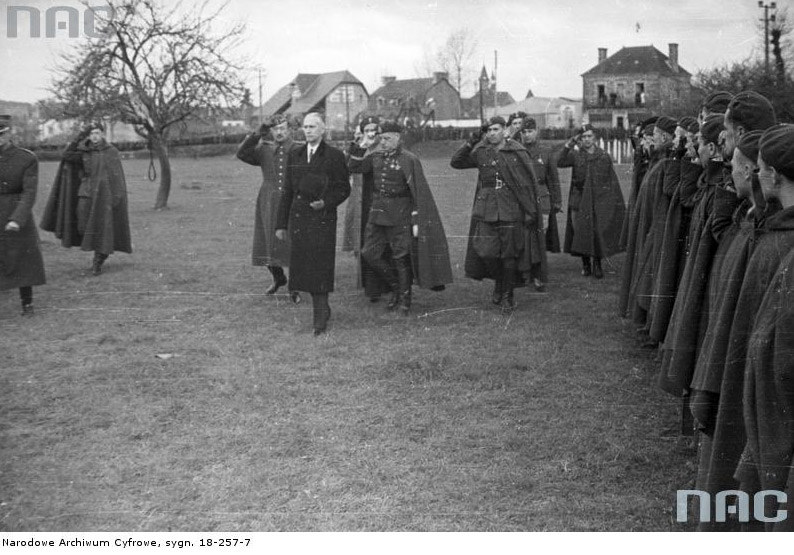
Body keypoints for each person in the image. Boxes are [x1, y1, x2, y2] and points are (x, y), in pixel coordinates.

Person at [350, 120, 453, 314]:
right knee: (368, 253)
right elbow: (354, 167)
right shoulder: (376, 157)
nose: (383, 142)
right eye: (382, 139)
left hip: (400, 215)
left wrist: (416, 218)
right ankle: (396, 287)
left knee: (401, 258)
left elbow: (418, 192)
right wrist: (359, 145)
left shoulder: (409, 159)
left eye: (387, 139)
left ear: (398, 138)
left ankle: (405, 299)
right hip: (378, 214)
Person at [450, 116, 543, 311]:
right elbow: (456, 162)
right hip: (487, 209)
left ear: (505, 130)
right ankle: (500, 282)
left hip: (510, 209)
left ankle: (507, 295)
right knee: (485, 251)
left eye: (496, 129)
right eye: (489, 130)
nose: (492, 133)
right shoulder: (481, 152)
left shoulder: (516, 151)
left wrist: (529, 210)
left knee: (509, 254)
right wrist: (472, 140)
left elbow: (527, 183)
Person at [275, 113, 350, 335]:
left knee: (320, 265)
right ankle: (322, 307)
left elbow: (344, 188)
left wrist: (326, 203)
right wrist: (281, 224)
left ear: (322, 129)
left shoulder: (334, 156)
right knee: (303, 266)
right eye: (305, 127)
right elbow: (287, 191)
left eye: (312, 127)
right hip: (299, 218)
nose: (308, 130)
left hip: (322, 219)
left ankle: (320, 314)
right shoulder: (295, 154)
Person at [41, 121, 132, 275]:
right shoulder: (84, 152)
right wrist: (78, 138)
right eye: (91, 133)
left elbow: (117, 178)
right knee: (83, 225)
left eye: (97, 133)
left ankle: (98, 261)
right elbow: (66, 155)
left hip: (104, 196)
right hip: (86, 193)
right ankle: (97, 254)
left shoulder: (111, 151)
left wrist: (116, 198)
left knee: (102, 228)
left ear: (102, 134)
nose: (94, 136)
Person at [236, 114, 300, 300]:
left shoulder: (298, 149)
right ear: (270, 131)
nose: (279, 132)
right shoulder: (263, 150)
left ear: (289, 130)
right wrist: (258, 132)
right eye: (275, 129)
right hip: (268, 200)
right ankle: (278, 277)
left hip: (291, 199)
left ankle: (294, 286)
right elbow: (241, 153)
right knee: (266, 241)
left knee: (292, 243)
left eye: (283, 128)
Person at [556, 124, 626, 279]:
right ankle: (585, 264)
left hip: (597, 200)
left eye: (589, 136)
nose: (586, 139)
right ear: (580, 139)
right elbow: (559, 162)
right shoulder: (575, 155)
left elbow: (610, 180)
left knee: (596, 231)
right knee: (580, 231)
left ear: (594, 137)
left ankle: (597, 264)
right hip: (578, 199)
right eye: (583, 137)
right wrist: (569, 144)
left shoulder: (603, 156)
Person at [0, 114, 45, 315]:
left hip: (16, 210)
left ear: (9, 134)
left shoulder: (26, 158)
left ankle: (27, 303)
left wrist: (17, 218)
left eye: (1, 134)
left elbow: (29, 192)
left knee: (22, 259)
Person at [345, 116, 387, 301]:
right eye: (366, 131)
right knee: (364, 243)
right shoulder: (361, 148)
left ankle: (389, 285)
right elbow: (351, 166)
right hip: (362, 201)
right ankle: (372, 288)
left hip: (382, 202)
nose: (371, 134)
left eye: (374, 131)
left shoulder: (383, 150)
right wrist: (361, 145)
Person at [519, 117, 562, 291]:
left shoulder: (545, 150)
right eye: (523, 132)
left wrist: (557, 201)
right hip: (523, 201)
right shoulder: (517, 150)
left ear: (536, 131)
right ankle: (526, 272)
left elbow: (553, 177)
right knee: (525, 238)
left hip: (542, 199)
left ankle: (538, 275)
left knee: (540, 240)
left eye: (530, 131)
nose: (527, 135)